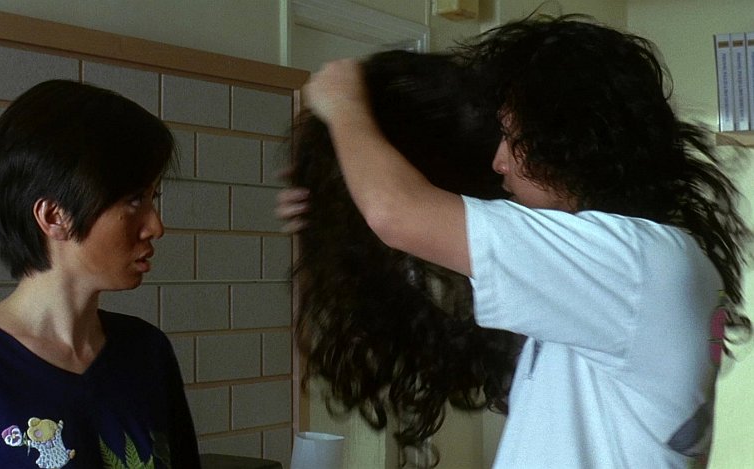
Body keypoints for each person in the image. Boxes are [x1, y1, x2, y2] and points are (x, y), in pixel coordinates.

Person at [279, 15, 750, 468]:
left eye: (510, 137)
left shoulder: (633, 263)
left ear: (568, 141)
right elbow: (409, 230)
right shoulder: (619, 271)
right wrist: (339, 213)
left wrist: (343, 104)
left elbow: (395, 213)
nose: (499, 162)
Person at [0, 80, 201, 468]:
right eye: (134, 200)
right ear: (54, 216)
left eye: (153, 199)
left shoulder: (147, 352)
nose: (155, 226)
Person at [286, 48, 521, 455]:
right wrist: (330, 226)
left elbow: (393, 212)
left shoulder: (561, 247)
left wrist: (343, 108)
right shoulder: (486, 269)